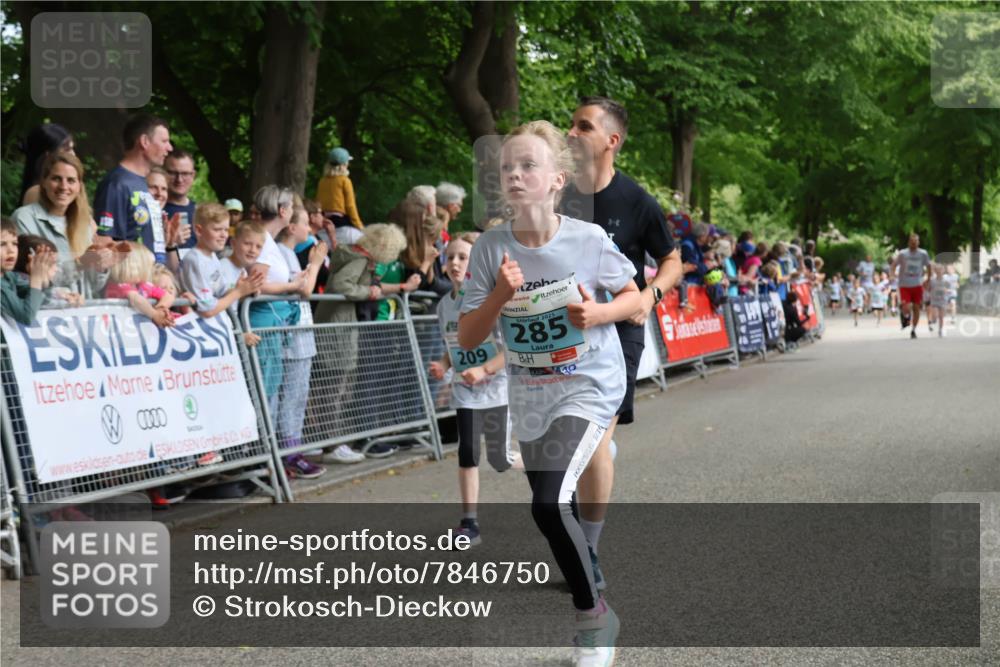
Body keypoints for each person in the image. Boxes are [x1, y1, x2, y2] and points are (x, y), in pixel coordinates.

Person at [459, 120, 641, 666]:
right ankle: (587, 562)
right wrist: (500, 295)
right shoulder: (491, 248)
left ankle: (594, 622)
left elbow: (636, 298)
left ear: (556, 179)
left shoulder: (586, 240)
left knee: (547, 500)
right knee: (547, 511)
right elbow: (468, 335)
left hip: (588, 383)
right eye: (507, 167)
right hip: (532, 392)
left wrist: (598, 312)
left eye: (528, 165)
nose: (514, 174)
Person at [559, 97, 681, 596]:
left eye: (583, 126)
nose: (572, 131)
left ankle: (587, 549)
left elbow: (671, 261)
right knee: (568, 444)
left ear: (612, 140)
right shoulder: (555, 192)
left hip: (616, 331)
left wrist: (651, 295)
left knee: (591, 442)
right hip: (561, 330)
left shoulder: (635, 200)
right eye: (571, 122)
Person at [428, 235, 516, 546]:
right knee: (468, 453)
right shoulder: (444, 306)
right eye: (450, 257)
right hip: (465, 390)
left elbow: (512, 349)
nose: (454, 263)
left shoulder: (491, 299)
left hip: (497, 388)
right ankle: (469, 525)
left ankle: (554, 469)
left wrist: (484, 370)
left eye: (462, 257)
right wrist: (444, 364)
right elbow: (456, 345)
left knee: (501, 459)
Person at [315, 223, 411, 459]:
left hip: (337, 323)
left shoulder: (351, 254)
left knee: (333, 386)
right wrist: (368, 292)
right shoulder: (358, 259)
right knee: (335, 387)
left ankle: (330, 439)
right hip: (340, 327)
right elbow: (341, 285)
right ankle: (332, 442)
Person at [250, 185, 326, 480]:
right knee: (272, 396)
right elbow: (256, 284)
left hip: (279, 328)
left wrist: (297, 282)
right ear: (284, 212)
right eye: (292, 208)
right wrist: (311, 269)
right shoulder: (265, 243)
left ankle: (281, 456)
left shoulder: (271, 244)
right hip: (269, 329)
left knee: (286, 396)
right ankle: (272, 457)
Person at [12, 151, 113, 298]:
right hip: (43, 313)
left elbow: (92, 286)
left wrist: (101, 267)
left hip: (81, 314)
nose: (63, 186)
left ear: (79, 186)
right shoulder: (24, 218)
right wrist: (80, 263)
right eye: (56, 179)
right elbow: (31, 277)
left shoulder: (85, 223)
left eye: (71, 180)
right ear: (44, 182)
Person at [93, 114, 173, 265]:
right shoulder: (116, 184)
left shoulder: (143, 183)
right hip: (127, 282)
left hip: (151, 279)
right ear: (144, 142)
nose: (169, 148)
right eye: (164, 141)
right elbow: (105, 242)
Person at [179, 203, 263, 319]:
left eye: (226, 230)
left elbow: (221, 295)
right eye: (217, 229)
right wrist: (238, 292)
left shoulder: (212, 257)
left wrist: (246, 289)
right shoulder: (195, 260)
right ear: (199, 230)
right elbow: (207, 310)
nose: (224, 235)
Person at [104, 242, 175, 329]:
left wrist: (160, 308)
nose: (149, 271)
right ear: (135, 267)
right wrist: (155, 315)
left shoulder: (144, 285)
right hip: (116, 329)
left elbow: (168, 296)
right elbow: (136, 299)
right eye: (147, 267)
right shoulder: (118, 286)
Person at [1, 218, 57, 325]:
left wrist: (43, 280)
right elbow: (26, 317)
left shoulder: (9, 276)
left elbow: (40, 300)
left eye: (14, 243)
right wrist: (36, 279)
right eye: (2, 244)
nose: (11, 250)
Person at [13, 235, 83, 307]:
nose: (56, 269)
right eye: (51, 263)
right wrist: (65, 301)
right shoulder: (18, 283)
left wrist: (66, 296)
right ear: (32, 262)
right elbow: (43, 300)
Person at [19, 123, 74, 206]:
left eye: (72, 149)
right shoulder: (37, 193)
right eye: (67, 150)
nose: (73, 154)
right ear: (48, 155)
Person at [890, 232, 932, 339]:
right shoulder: (903, 254)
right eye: (912, 242)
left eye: (916, 242)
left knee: (917, 308)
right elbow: (894, 265)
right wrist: (892, 275)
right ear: (909, 242)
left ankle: (913, 330)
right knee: (907, 307)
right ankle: (905, 316)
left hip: (917, 284)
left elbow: (929, 266)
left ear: (918, 242)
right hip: (904, 284)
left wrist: (928, 279)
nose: (913, 244)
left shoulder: (923, 253)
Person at [315, 147, 363, 231]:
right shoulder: (345, 181)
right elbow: (350, 206)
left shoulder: (322, 181)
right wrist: (359, 226)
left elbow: (317, 202)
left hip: (323, 220)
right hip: (340, 222)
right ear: (344, 165)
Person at [163, 149, 200, 255]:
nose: (179, 179)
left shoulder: (200, 212)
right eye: (173, 173)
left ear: (193, 175)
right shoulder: (154, 210)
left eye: (185, 173)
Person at [435, 182, 467, 246]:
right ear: (451, 205)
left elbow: (446, 240)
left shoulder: (438, 222)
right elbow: (442, 246)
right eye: (459, 206)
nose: (459, 210)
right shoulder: (437, 224)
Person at [928, 264, 950, 338]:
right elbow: (928, 289)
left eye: (940, 270)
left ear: (943, 271)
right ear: (935, 271)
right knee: (935, 315)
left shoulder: (945, 281)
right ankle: (933, 320)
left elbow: (949, 289)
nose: (939, 272)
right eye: (937, 270)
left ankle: (940, 329)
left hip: (943, 300)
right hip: (934, 300)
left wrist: (946, 290)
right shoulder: (932, 280)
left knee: (941, 316)